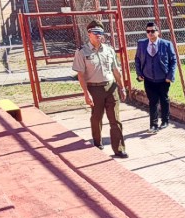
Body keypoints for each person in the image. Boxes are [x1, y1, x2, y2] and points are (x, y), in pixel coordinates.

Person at [72, 20, 128, 158]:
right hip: (94, 89)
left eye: (101, 33)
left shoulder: (109, 50)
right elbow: (81, 75)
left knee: (115, 119)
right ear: (89, 34)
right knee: (96, 118)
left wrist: (122, 87)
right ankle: (97, 143)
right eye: (96, 33)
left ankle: (119, 148)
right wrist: (86, 94)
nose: (99, 35)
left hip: (111, 87)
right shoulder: (81, 52)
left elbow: (116, 70)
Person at [135, 22, 177, 133]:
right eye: (148, 31)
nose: (150, 33)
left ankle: (165, 120)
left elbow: (173, 61)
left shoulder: (166, 44)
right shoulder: (141, 44)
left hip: (163, 79)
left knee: (164, 99)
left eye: (152, 31)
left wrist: (170, 76)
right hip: (148, 79)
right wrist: (139, 73)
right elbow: (137, 60)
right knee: (152, 101)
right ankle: (153, 125)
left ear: (157, 32)